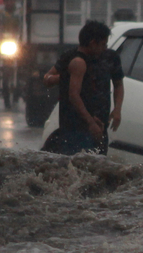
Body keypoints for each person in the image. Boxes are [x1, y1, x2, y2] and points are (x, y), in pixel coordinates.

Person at [41, 21, 124, 155]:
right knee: (76, 165)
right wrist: (65, 77)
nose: (105, 48)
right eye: (103, 44)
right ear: (92, 43)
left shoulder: (110, 57)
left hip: (99, 125)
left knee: (96, 167)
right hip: (75, 125)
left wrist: (117, 109)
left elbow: (119, 84)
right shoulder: (72, 58)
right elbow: (48, 79)